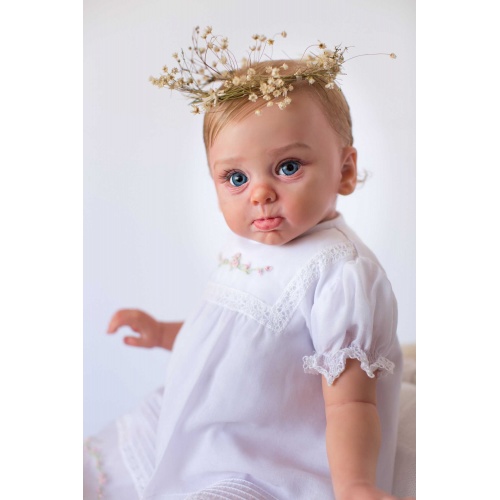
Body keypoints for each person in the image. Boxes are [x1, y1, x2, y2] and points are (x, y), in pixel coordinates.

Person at [84, 28, 412, 500]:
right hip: (206, 432)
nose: (260, 193)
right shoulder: (246, 245)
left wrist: (356, 485)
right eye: (236, 177)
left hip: (270, 459)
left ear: (344, 170)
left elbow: (352, 403)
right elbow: (229, 337)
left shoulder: (340, 273)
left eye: (287, 167)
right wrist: (164, 333)